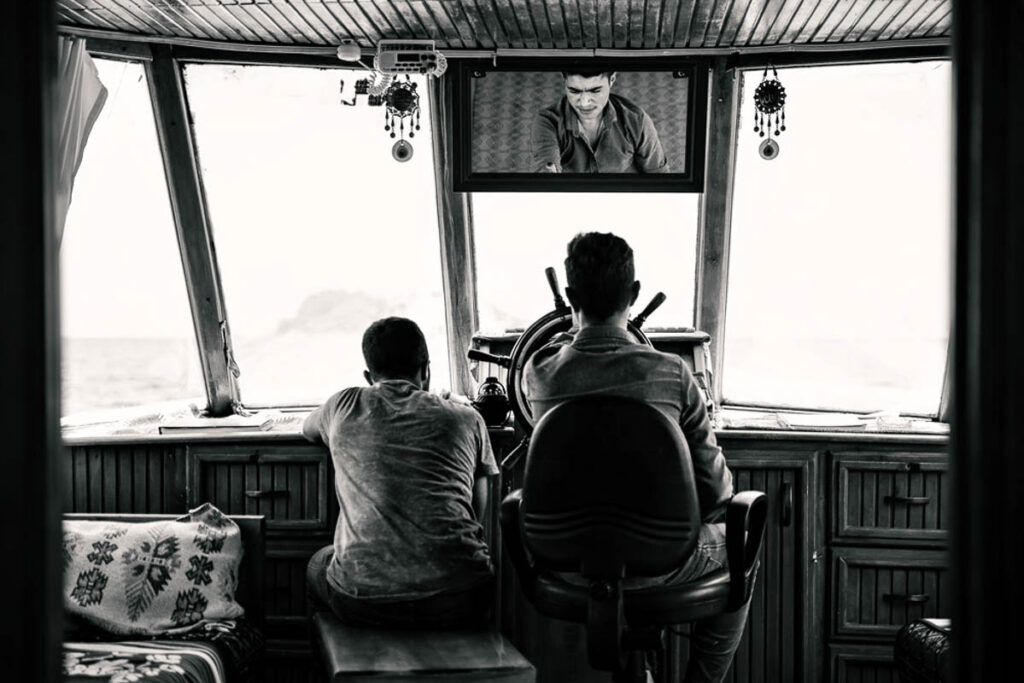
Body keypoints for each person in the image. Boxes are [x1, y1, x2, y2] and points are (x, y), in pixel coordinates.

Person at [522, 232, 746, 683]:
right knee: (745, 538)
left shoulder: (538, 374)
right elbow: (718, 490)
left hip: (567, 568)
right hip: (663, 565)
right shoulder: (672, 372)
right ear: (635, 293)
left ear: (569, 297)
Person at [303, 317, 499, 629]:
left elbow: (308, 428)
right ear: (426, 371)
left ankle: (340, 663)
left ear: (369, 376)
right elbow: (477, 513)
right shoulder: (468, 419)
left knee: (318, 564)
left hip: (364, 601)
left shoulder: (342, 406)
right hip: (463, 597)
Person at [531, 70, 669, 174]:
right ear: (564, 80)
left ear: (612, 79)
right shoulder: (547, 122)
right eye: (574, 91)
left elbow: (661, 178)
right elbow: (545, 177)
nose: (584, 103)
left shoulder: (636, 120)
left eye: (595, 91)